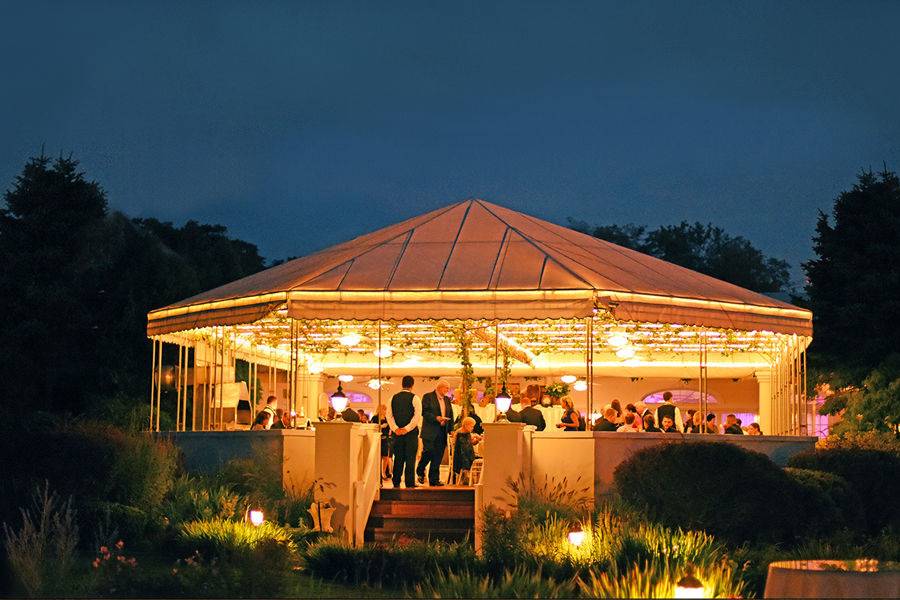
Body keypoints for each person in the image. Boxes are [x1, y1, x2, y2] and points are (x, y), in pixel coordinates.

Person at [387, 375, 422, 489]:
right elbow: (417, 417)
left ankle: (396, 482)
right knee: (410, 458)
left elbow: (389, 416)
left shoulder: (393, 397)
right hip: (411, 434)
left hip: (397, 434)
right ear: (412, 385)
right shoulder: (415, 398)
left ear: (402, 384)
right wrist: (406, 429)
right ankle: (409, 483)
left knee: (398, 458)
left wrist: (396, 428)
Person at [417, 379, 453, 486]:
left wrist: (451, 429)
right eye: (446, 388)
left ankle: (434, 480)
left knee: (438, 456)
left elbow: (450, 414)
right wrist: (436, 418)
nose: (447, 390)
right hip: (430, 431)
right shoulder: (428, 397)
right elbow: (424, 412)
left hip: (442, 431)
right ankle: (420, 469)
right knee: (429, 451)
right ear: (440, 387)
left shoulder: (447, 399)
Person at [452, 416, 482, 484]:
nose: (472, 428)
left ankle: (473, 478)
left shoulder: (467, 433)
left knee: (477, 457)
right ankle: (467, 476)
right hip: (460, 456)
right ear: (466, 425)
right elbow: (463, 446)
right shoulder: (460, 433)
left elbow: (468, 444)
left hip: (465, 454)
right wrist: (474, 436)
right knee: (475, 458)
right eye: (471, 426)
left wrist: (476, 441)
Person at [373, 404, 393, 479]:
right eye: (384, 409)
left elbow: (389, 428)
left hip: (386, 439)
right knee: (379, 456)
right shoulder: (375, 418)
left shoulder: (386, 418)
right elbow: (373, 427)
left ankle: (383, 472)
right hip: (378, 438)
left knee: (386, 456)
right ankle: (378, 472)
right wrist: (381, 426)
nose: (385, 411)